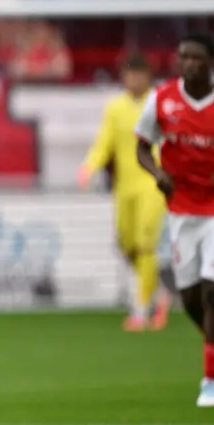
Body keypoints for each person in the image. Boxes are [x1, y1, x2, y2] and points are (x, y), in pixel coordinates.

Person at [135, 32, 214, 408]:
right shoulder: (162, 99)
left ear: (210, 61)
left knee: (213, 291)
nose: (188, 64)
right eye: (183, 56)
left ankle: (210, 383)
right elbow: (141, 146)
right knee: (190, 299)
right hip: (182, 210)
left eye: (196, 57)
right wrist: (157, 173)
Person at [78, 53, 170, 331]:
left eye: (139, 75)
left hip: (152, 184)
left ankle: (141, 309)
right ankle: (158, 292)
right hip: (125, 186)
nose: (134, 80)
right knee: (126, 244)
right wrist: (89, 166)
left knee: (145, 243)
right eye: (130, 75)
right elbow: (104, 142)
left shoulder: (160, 103)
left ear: (148, 76)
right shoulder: (115, 108)